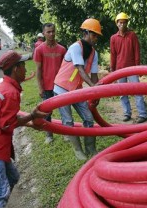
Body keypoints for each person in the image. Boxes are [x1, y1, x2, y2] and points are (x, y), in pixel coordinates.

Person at [0, 50, 48, 207]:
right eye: (23, 65)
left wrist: (30, 124)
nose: (25, 69)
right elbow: (7, 124)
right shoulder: (10, 93)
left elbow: (4, 118)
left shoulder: (1, 87)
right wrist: (31, 116)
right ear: (16, 69)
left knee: (12, 178)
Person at [53, 18, 102, 160]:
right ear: (85, 33)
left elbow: (94, 76)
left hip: (76, 89)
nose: (95, 38)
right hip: (62, 89)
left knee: (88, 118)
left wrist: (96, 93)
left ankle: (91, 149)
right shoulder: (75, 47)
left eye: (97, 36)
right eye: (93, 35)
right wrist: (93, 88)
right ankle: (78, 151)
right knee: (68, 122)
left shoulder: (94, 53)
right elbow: (80, 69)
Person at [110, 12, 147, 123]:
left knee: (137, 91)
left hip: (132, 69)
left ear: (127, 23)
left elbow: (137, 51)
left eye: (124, 22)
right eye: (120, 22)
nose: (122, 24)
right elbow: (113, 54)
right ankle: (127, 113)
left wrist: (138, 66)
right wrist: (112, 69)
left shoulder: (132, 35)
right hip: (119, 69)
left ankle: (142, 114)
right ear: (117, 24)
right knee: (122, 93)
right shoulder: (113, 38)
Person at [33, 23, 66, 144]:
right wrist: (40, 87)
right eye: (48, 32)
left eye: (53, 31)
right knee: (47, 112)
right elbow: (38, 70)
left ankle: (65, 133)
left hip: (60, 86)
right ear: (44, 33)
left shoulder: (62, 49)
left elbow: (66, 69)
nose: (51, 34)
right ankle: (49, 135)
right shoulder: (39, 49)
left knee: (64, 110)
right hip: (47, 86)